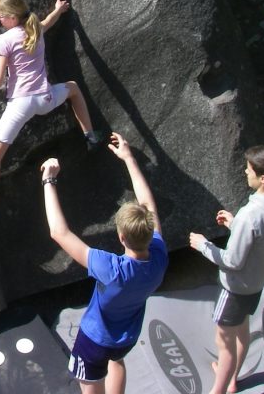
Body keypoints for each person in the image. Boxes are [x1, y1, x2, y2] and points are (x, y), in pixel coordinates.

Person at [43, 133, 168, 394]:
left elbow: (59, 232)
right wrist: (128, 158)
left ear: (121, 237)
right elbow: (147, 204)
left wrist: (49, 180)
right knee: (116, 361)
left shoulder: (111, 269)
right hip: (126, 338)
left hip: (93, 340)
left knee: (90, 385)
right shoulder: (159, 255)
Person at [0, 0, 96, 224]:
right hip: (46, 99)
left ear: (12, 17)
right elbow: (47, 22)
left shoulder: (6, 40)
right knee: (73, 88)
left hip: (20, 105)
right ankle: (91, 136)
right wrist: (59, 10)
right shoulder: (34, 28)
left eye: (0, 16)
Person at [189, 145, 264, 394]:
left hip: (235, 288)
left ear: (262, 177)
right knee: (242, 331)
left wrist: (204, 246)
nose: (245, 171)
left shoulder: (250, 215)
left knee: (224, 344)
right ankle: (232, 378)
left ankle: (220, 389)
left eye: (249, 169)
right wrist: (236, 226)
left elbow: (233, 261)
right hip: (256, 283)